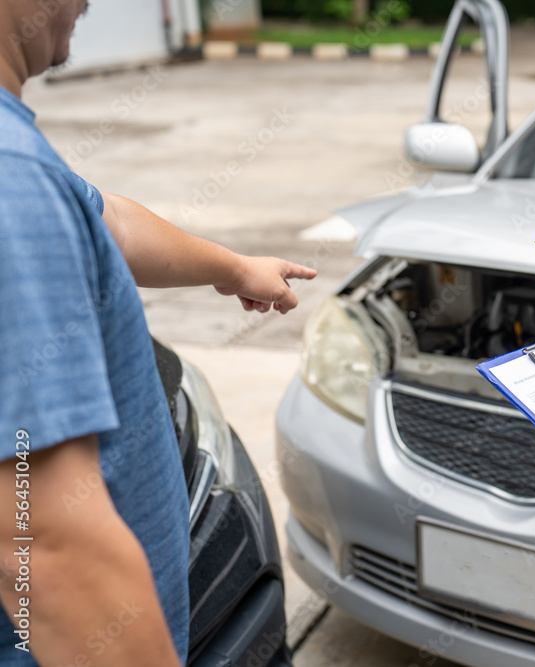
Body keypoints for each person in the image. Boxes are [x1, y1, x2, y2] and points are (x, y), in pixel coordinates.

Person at [0, 1, 316, 665]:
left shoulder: (25, 170)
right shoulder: (13, 181)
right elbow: (44, 542)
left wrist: (233, 269)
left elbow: (102, 215)